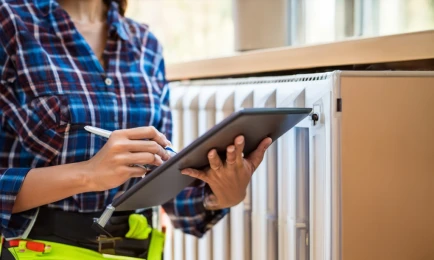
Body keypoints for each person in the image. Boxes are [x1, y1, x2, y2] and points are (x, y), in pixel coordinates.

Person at [0, 0, 272, 259]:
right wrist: (88, 175)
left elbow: (165, 179)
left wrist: (223, 194)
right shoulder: (9, 23)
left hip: (140, 251)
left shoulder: (145, 44)